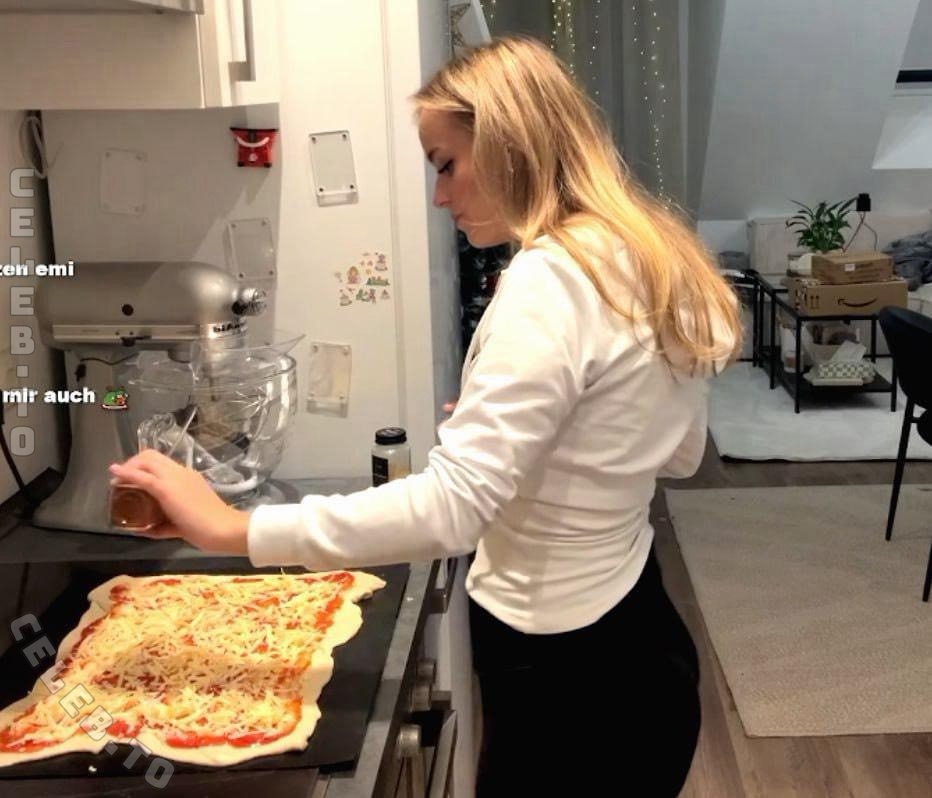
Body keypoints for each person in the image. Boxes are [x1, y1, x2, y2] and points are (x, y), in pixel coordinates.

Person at [110, 36, 741, 797]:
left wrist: (231, 529)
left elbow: (452, 511)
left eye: (445, 164)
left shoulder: (550, 280)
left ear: (507, 141)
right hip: (637, 640)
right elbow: (677, 453)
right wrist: (543, 430)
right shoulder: (643, 254)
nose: (440, 196)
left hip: (569, 690)